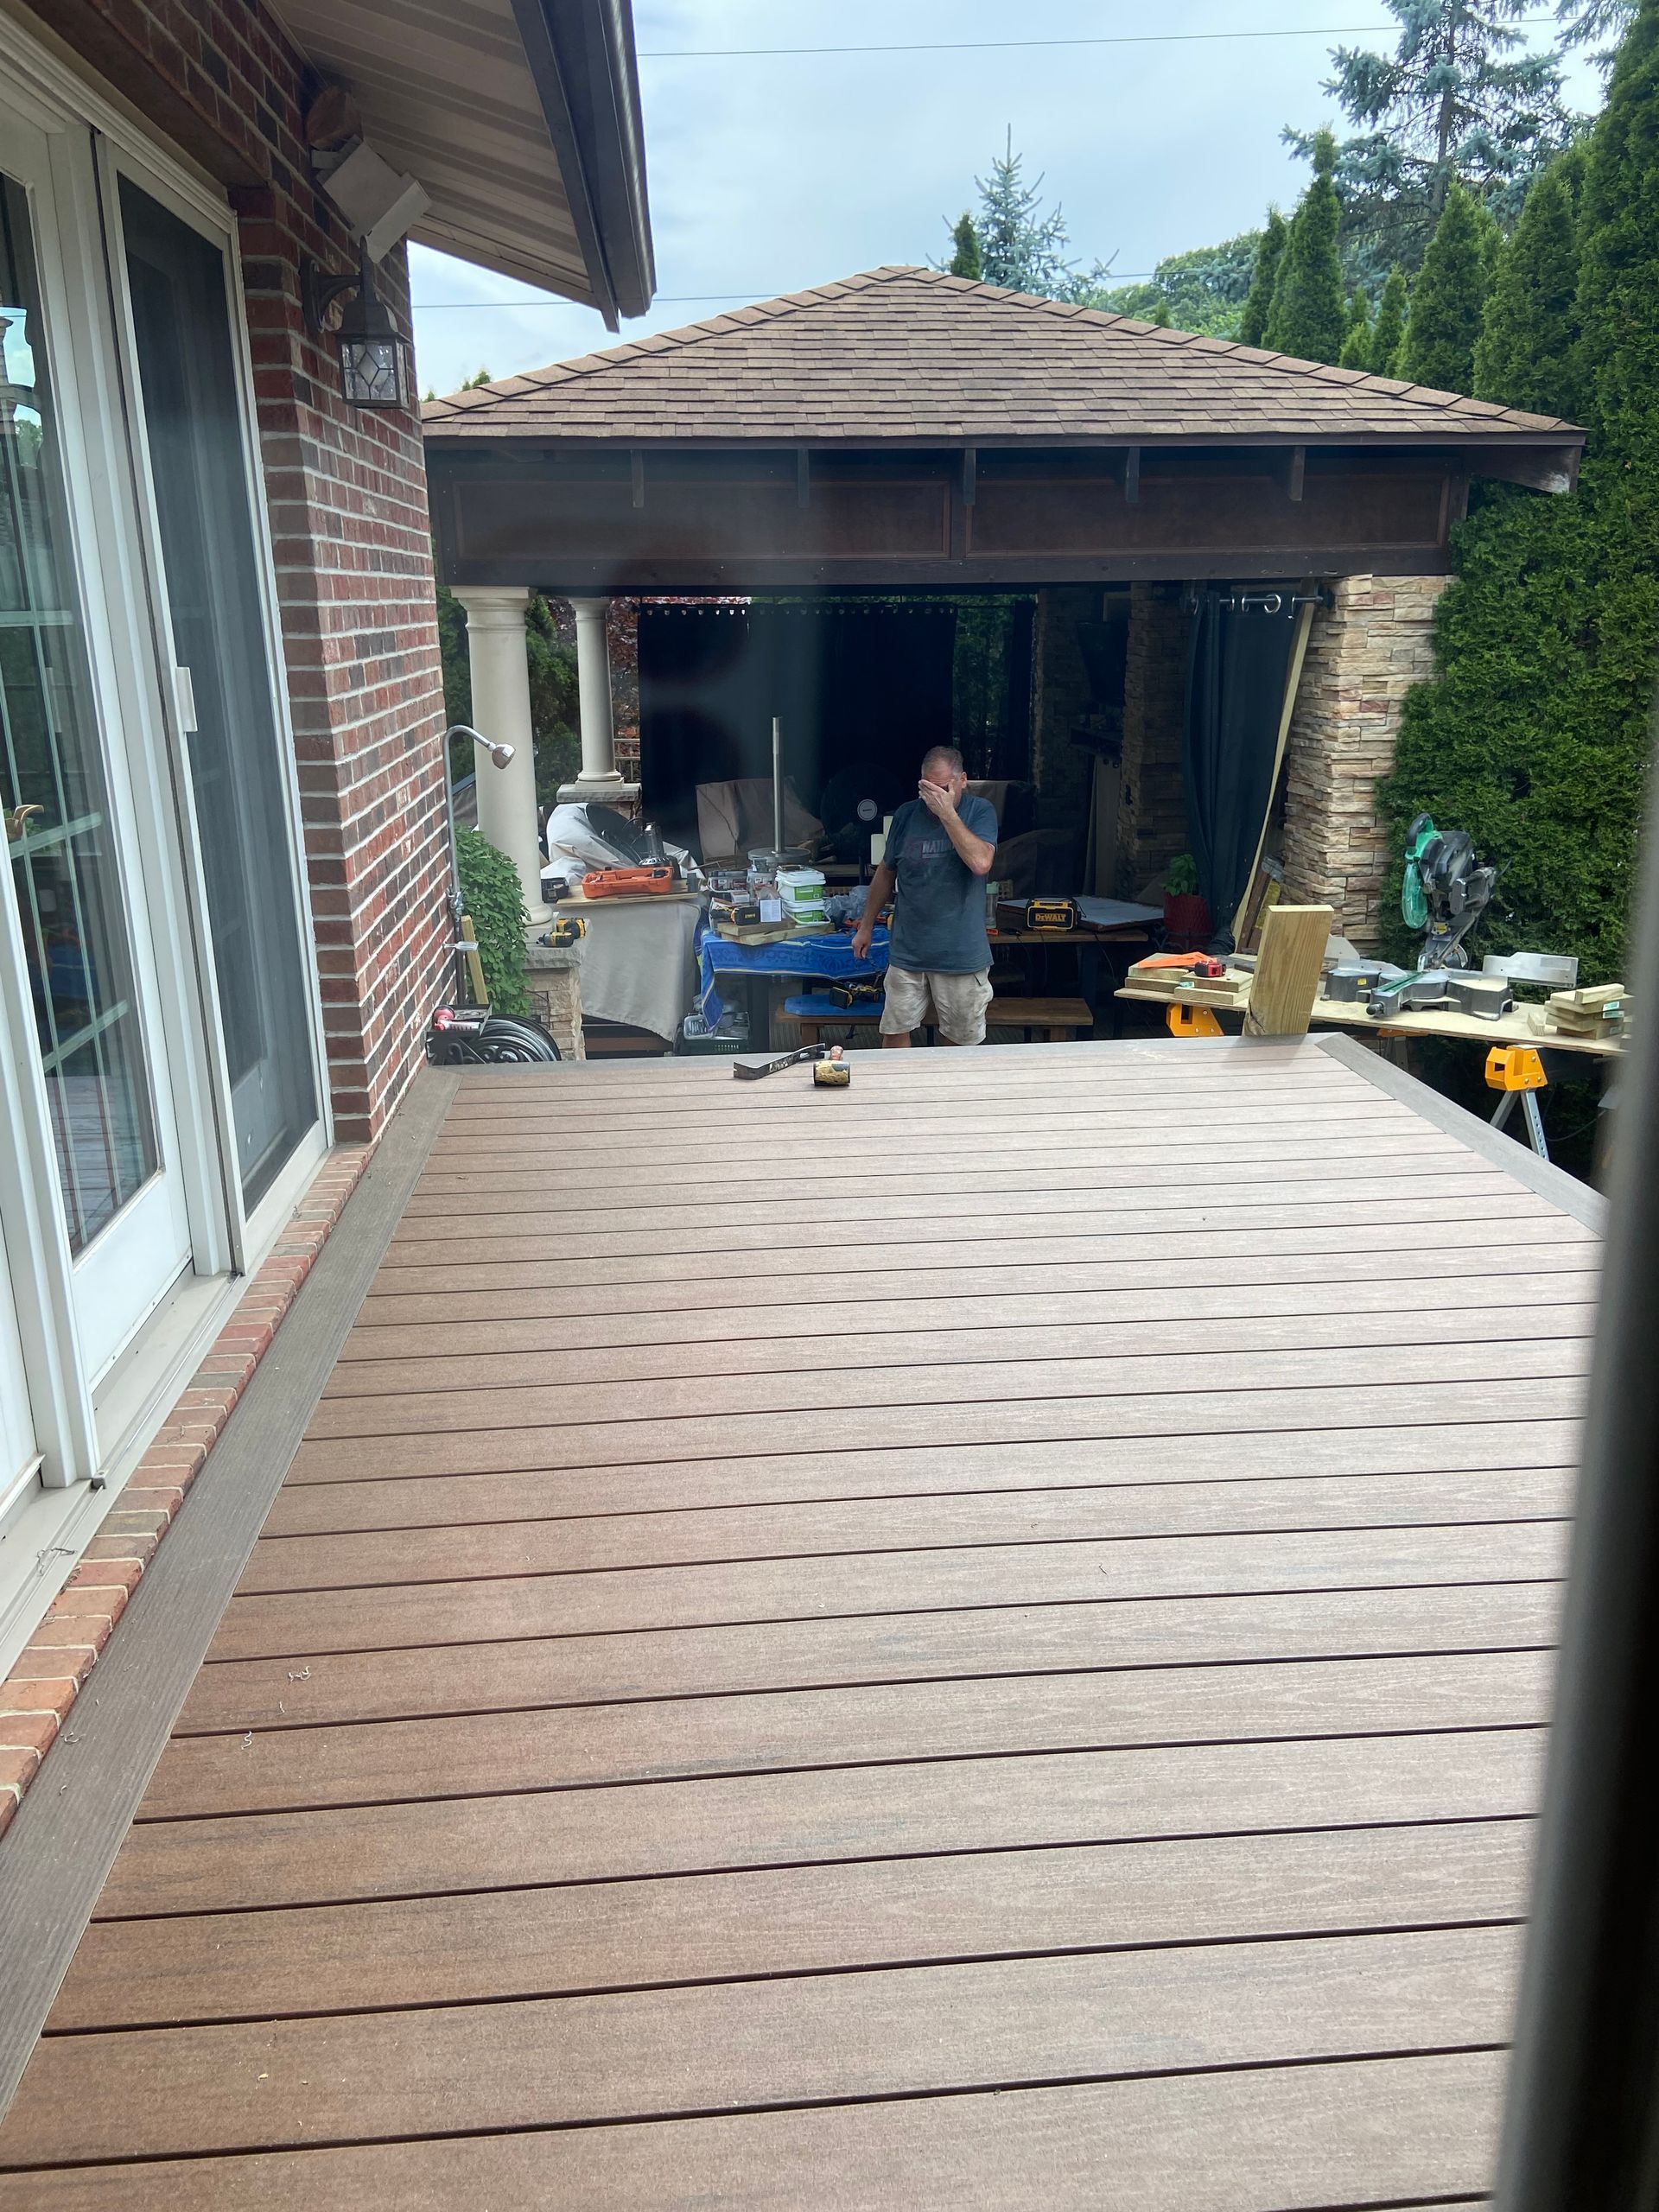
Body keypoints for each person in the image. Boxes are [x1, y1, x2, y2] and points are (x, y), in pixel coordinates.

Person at [851, 746, 997, 1046]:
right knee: (893, 1035)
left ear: (963, 781)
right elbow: (886, 872)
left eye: (942, 789)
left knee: (959, 1045)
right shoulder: (906, 815)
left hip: (960, 955)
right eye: (927, 788)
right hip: (908, 952)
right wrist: (865, 926)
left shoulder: (979, 812)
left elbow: (981, 863)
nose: (934, 797)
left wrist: (948, 814)